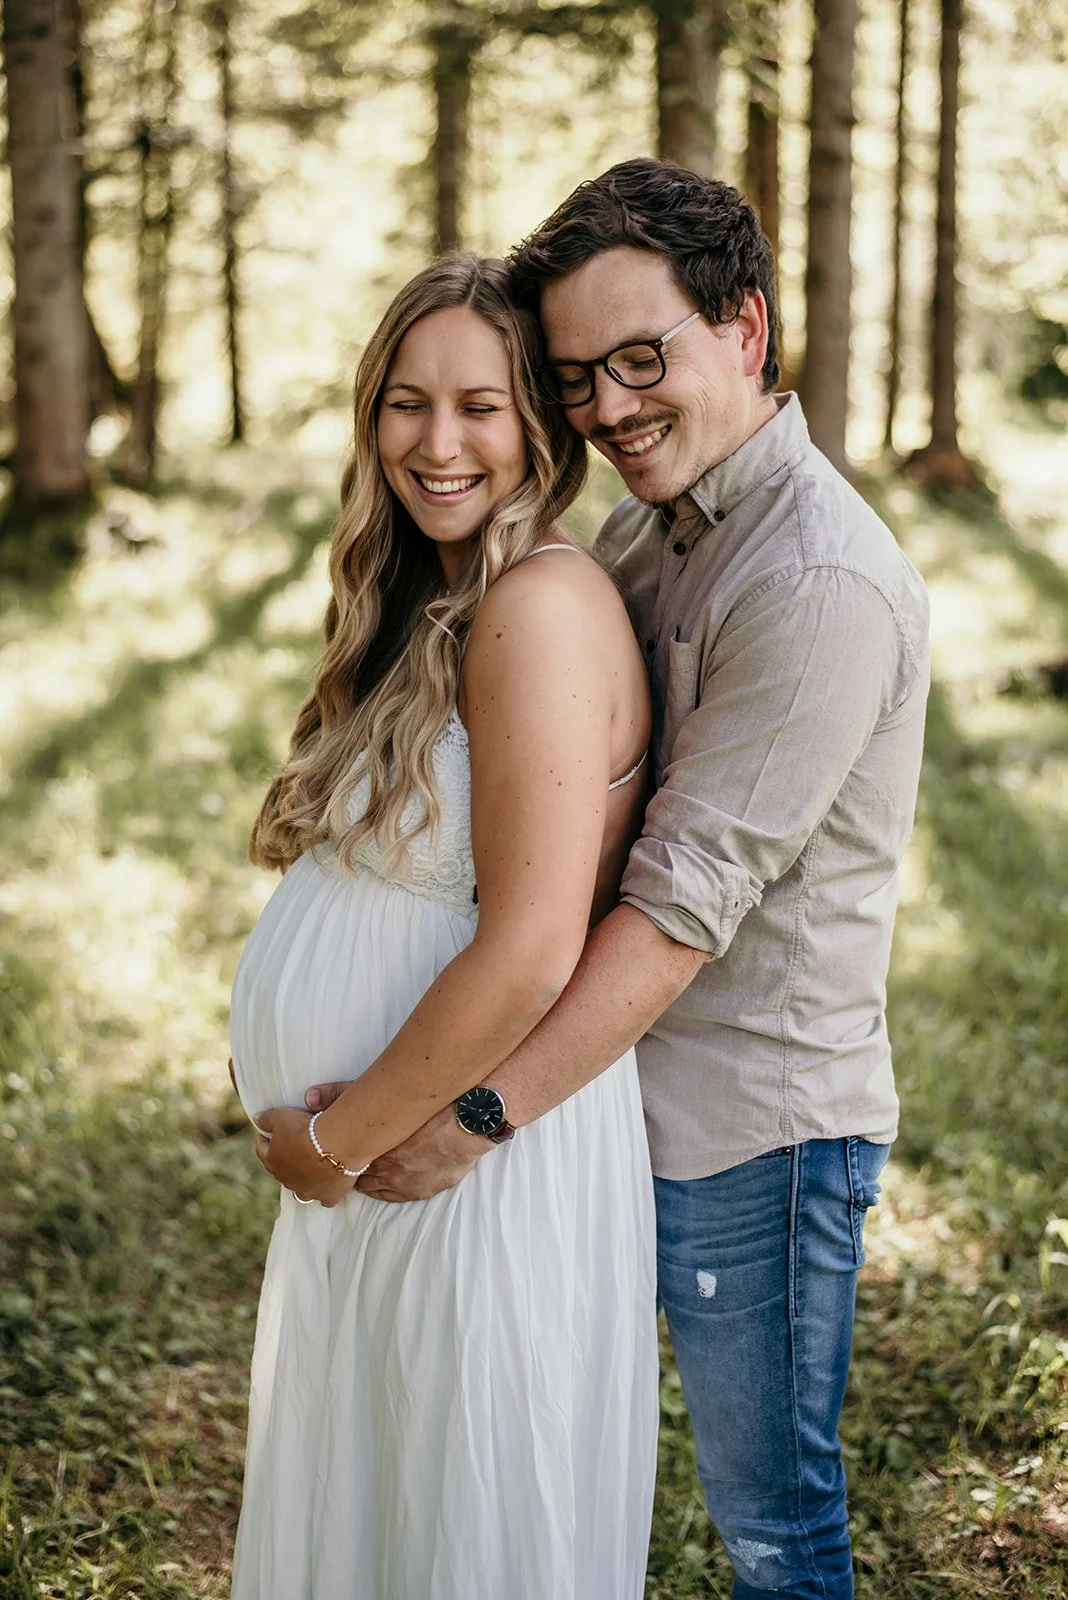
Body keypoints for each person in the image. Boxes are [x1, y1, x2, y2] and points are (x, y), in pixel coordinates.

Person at [300, 160, 932, 1599]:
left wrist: (470, 1118)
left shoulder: (817, 582)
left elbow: (675, 914)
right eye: (576, 375)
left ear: (747, 329)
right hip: (601, 1110)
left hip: (749, 1134)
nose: (608, 406)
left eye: (641, 357)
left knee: (772, 1522)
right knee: (571, 1469)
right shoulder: (656, 523)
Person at [227, 252, 663, 1599]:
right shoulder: (441, 595)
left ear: (538, 418)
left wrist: (335, 1144)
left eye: (480, 405)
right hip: (386, 1162)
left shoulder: (533, 609)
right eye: (406, 403)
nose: (437, 441)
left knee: (451, 1540)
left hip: (448, 1162)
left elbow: (531, 949)